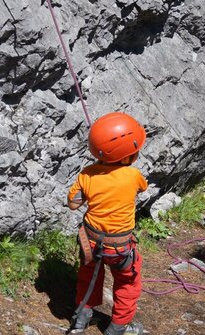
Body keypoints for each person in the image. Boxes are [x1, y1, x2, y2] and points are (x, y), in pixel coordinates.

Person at [67, 112, 147, 335]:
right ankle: (117, 326)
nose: (136, 154)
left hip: (90, 242)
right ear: (124, 156)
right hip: (120, 247)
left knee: (88, 275)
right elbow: (142, 188)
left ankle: (82, 317)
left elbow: (73, 204)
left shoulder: (87, 175)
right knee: (128, 283)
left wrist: (94, 175)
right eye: (134, 151)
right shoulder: (133, 176)